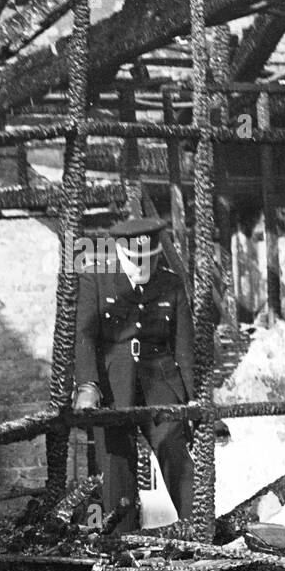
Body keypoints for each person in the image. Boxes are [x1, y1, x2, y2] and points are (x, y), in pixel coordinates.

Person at [72, 216, 194, 532]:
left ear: (156, 255)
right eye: (133, 261)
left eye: (147, 261)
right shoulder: (97, 279)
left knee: (174, 452)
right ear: (120, 253)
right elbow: (85, 335)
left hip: (161, 382)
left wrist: (194, 399)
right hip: (114, 385)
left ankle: (196, 533)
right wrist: (88, 384)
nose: (141, 268)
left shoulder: (171, 283)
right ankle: (121, 543)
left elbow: (184, 347)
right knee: (117, 465)